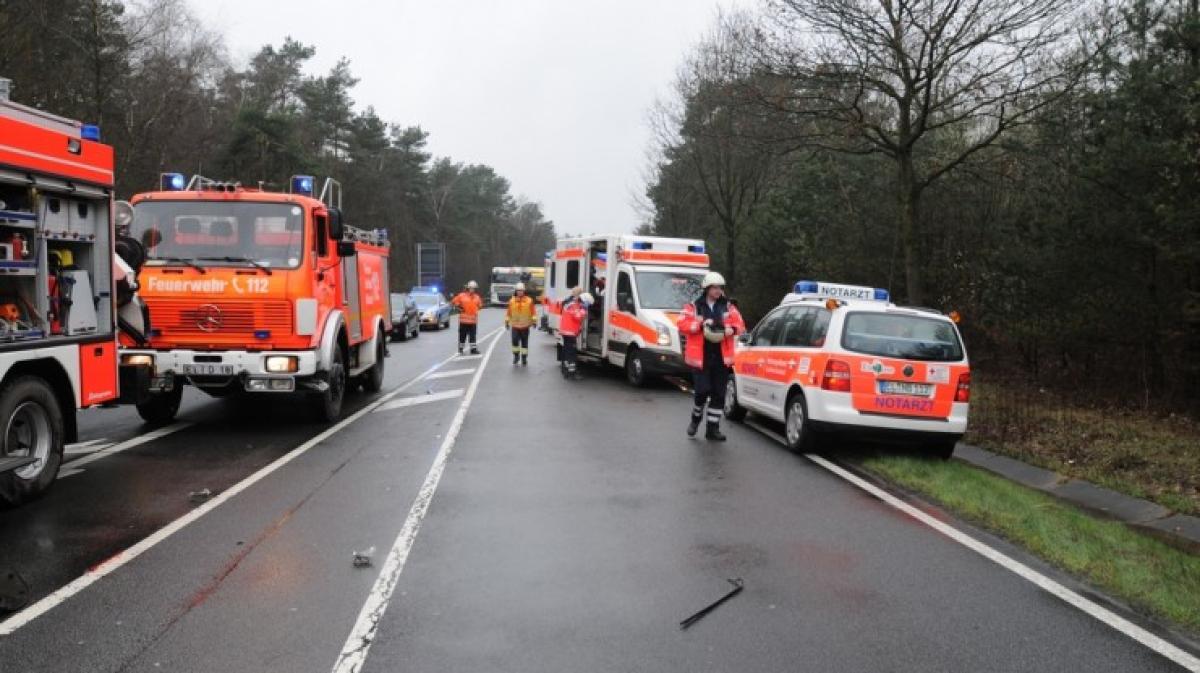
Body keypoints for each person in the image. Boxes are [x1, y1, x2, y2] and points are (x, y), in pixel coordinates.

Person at [678, 272, 745, 440]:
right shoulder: (693, 306)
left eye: (720, 287)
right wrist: (700, 324)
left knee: (718, 394)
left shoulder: (728, 307)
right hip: (701, 357)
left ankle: (712, 429)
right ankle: (696, 418)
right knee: (702, 391)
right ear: (707, 288)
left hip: (721, 358)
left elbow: (740, 325)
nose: (718, 291)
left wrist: (733, 330)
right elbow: (681, 324)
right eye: (715, 287)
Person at [559, 292, 592, 380]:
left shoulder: (571, 304)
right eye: (587, 303)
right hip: (570, 333)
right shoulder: (575, 306)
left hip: (566, 332)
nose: (587, 305)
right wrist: (584, 309)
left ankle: (565, 370)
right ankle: (571, 373)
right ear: (584, 301)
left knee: (566, 352)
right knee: (571, 354)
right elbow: (577, 317)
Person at [505, 282, 538, 366]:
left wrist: (534, 321)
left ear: (524, 291)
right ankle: (516, 356)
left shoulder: (529, 301)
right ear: (516, 291)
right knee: (515, 342)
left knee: (524, 343)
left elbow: (533, 312)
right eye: (518, 291)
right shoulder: (512, 301)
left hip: (525, 326)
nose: (520, 292)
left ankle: (524, 358)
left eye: (521, 291)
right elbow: (508, 313)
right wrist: (507, 322)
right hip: (515, 326)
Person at [451, 280, 484, 354]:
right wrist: (458, 307)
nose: (473, 290)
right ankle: (460, 349)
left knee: (473, 336)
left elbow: (480, 306)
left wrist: (477, 309)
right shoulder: (461, 295)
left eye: (474, 288)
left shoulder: (477, 297)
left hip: (473, 321)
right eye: (472, 288)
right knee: (462, 336)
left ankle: (473, 350)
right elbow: (454, 302)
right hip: (463, 321)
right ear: (468, 288)